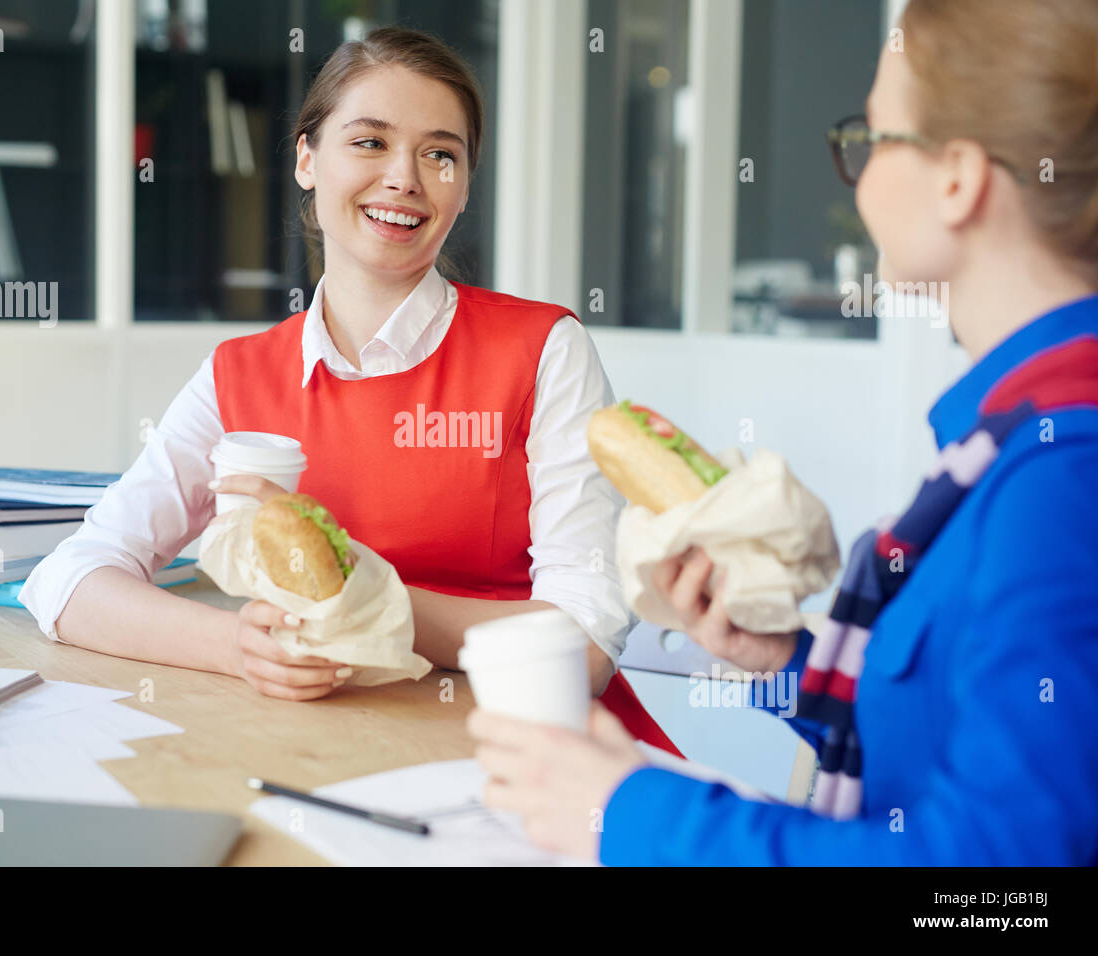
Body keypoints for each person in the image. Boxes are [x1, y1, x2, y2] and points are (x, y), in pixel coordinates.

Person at [468, 0, 1098, 864]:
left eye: (873, 137)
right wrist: (782, 661)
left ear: (957, 177)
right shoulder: (1017, 442)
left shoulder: (1060, 478)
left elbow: (995, 884)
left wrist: (627, 815)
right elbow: (945, 741)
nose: (857, 170)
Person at [19, 26, 679, 754]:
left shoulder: (543, 350)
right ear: (307, 158)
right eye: (369, 142)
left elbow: (582, 644)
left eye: (440, 155)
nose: (405, 177)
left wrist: (357, 604)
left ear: (462, 189)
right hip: (316, 741)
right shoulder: (238, 375)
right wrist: (239, 644)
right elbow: (70, 579)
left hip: (528, 748)